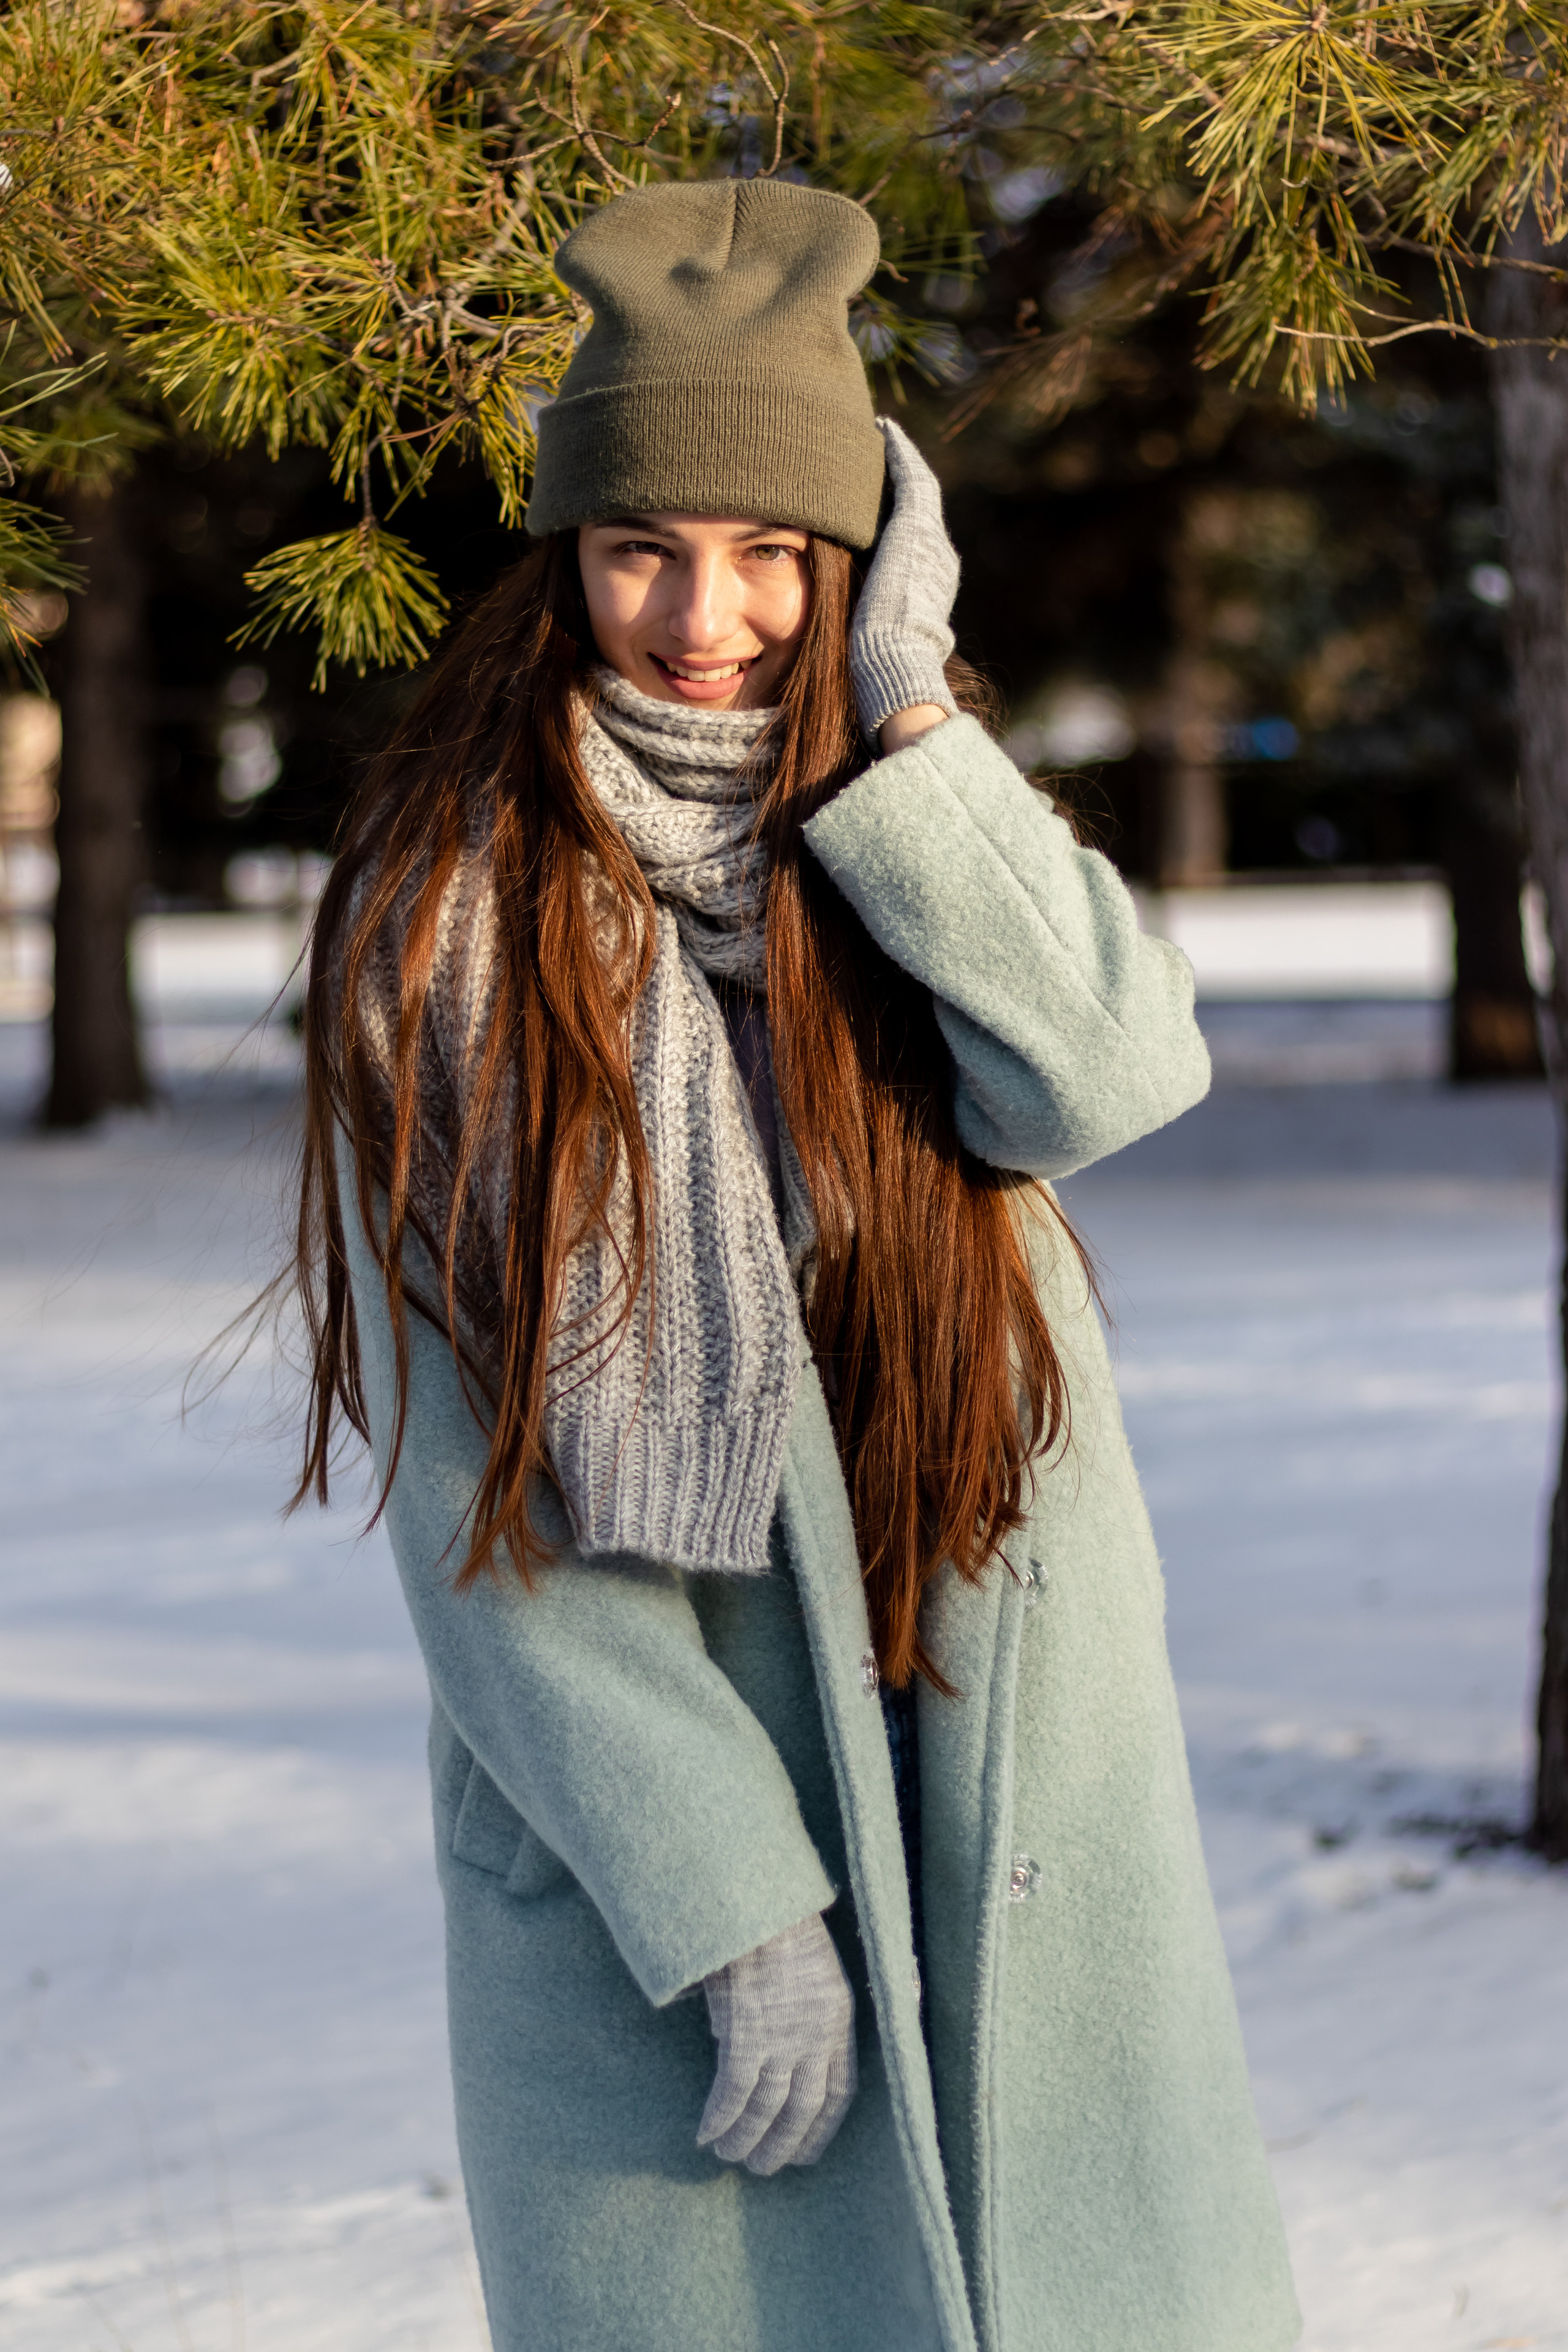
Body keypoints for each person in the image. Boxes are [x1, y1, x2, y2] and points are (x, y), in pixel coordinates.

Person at [293, 176, 1300, 2352]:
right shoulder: (449, 935)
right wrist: (733, 1906)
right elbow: (481, 1506)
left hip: (991, 1734)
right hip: (684, 1810)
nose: (705, 614)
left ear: (852, 564)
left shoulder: (902, 856)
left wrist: (913, 719)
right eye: (642, 545)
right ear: (565, 556)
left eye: (772, 550)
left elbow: (1112, 1068)